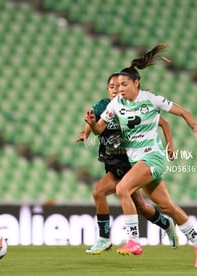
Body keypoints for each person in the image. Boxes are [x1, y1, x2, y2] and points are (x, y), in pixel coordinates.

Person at [84, 43, 197, 268]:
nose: (120, 88)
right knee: (167, 206)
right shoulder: (116, 103)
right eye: (117, 85)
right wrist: (93, 125)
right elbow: (101, 129)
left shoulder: (151, 99)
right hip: (137, 162)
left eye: (124, 84)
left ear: (136, 83)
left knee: (123, 188)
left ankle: (133, 241)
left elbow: (183, 111)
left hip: (153, 157)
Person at [76, 72, 178, 255]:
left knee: (99, 191)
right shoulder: (103, 106)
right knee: (140, 207)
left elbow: (163, 123)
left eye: (119, 85)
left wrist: (170, 144)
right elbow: (94, 122)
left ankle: (105, 239)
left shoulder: (133, 106)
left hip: (130, 161)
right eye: (112, 86)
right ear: (107, 90)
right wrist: (85, 132)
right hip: (113, 162)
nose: (116, 89)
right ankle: (166, 224)